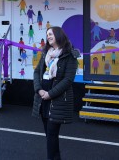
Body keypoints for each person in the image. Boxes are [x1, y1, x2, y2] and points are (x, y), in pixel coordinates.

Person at [32, 26, 79, 160]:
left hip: (56, 99)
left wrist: (50, 94)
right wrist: (39, 89)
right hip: (43, 98)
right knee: (49, 135)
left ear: (58, 35)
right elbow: (37, 72)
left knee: (52, 134)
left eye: (51, 34)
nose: (48, 37)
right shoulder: (46, 53)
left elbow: (68, 80)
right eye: (47, 35)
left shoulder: (69, 55)